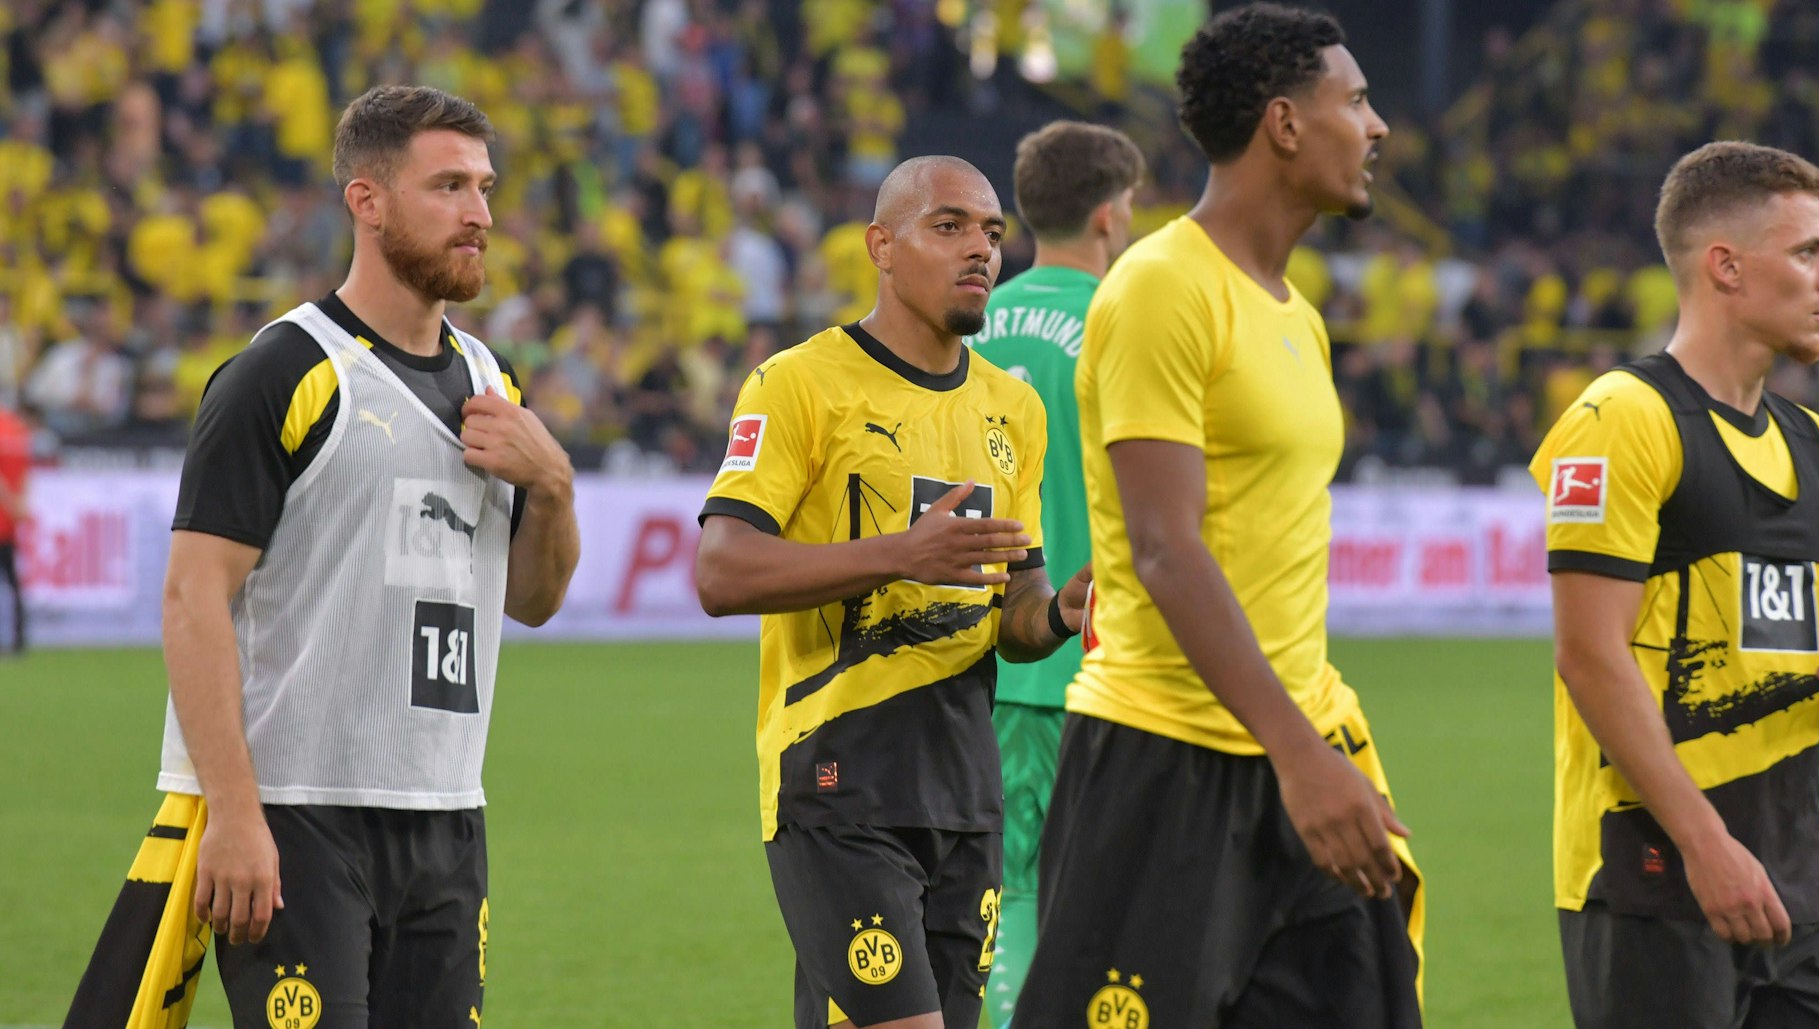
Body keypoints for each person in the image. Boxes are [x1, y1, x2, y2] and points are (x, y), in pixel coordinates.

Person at [65, 85, 581, 1028]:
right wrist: (233, 814)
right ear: (367, 201)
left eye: (486, 187)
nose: (481, 214)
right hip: (296, 816)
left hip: (446, 814)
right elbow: (191, 597)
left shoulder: (492, 382)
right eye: (450, 187)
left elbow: (535, 600)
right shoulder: (286, 372)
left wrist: (554, 487)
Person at [1012, 2, 1423, 1028]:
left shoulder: (1298, 316)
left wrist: (1320, 746)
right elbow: (1162, 546)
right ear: (1283, 124)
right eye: (1356, 101)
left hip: (1298, 754)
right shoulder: (1159, 288)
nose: (1376, 128)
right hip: (1163, 766)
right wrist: (1299, 755)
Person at [694, 154, 1091, 1029]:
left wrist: (1062, 610)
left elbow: (1014, 614)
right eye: (947, 226)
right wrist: (900, 552)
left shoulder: (1012, 410)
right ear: (880, 245)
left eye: (991, 231)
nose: (980, 249)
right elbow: (720, 572)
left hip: (964, 788)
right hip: (837, 779)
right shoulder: (801, 382)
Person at [1530, 141, 1819, 1029]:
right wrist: (1705, 845)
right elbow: (1588, 655)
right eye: (1809, 250)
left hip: (1790, 880)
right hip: (1651, 870)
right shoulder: (1621, 420)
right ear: (1725, 267)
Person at [965, 119, 1143, 1026]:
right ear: (1111, 216)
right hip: (1105, 655)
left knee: (1013, 881)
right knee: (1077, 892)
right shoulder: (1125, 322)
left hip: (995, 648)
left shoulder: (970, 318)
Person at [0, 402, 28, 655]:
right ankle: (19, 638)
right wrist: (19, 506)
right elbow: (24, 476)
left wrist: (10, 502)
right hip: (9, 520)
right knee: (13, 582)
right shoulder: (19, 430)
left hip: (4, 516)